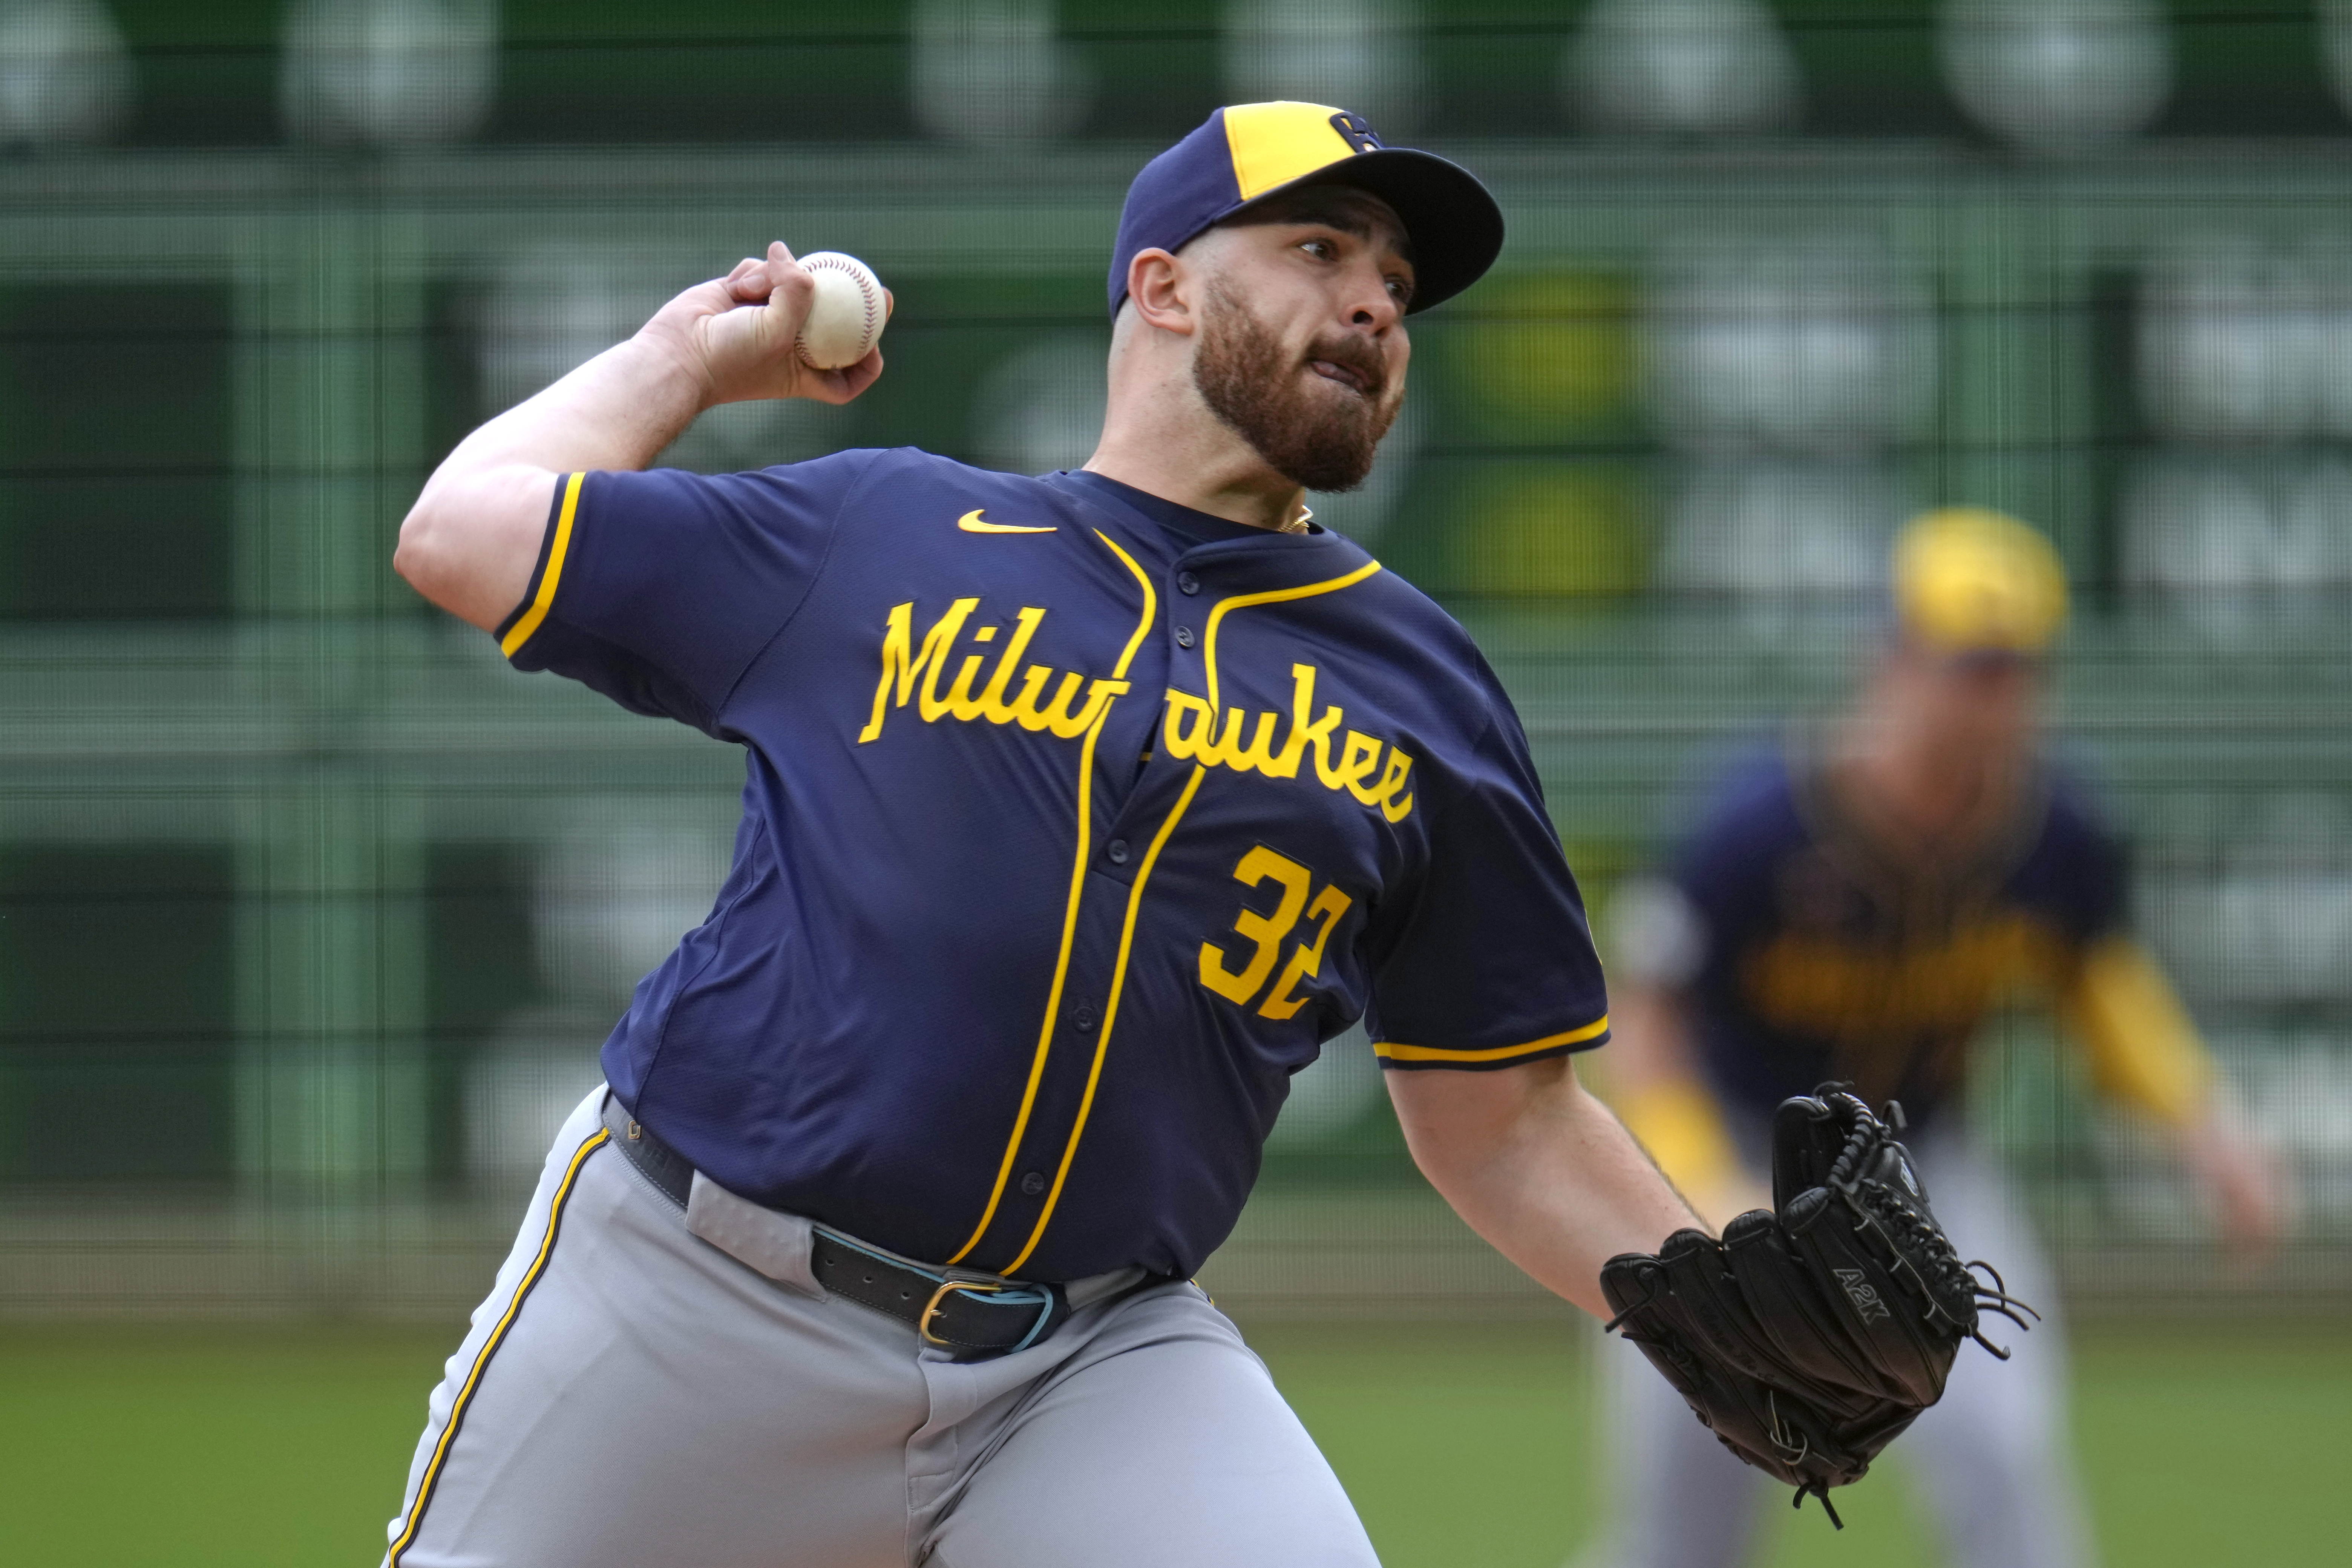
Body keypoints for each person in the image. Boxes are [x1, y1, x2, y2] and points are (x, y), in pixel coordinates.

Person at [382, 101, 1703, 1568]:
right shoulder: (888, 533)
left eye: (1397, 280)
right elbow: (463, 529)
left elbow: (1505, 1119)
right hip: (697, 1298)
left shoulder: (1420, 684)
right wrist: (687, 362)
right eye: (1320, 246)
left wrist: (1704, 1304)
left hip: (1088, 1361)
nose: (1375, 303)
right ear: (1163, 284)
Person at [1578, 507, 2288, 1568]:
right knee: (1687, 1501)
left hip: (1919, 1174)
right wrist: (1703, 1196)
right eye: (1966, 665)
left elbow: (2098, 986)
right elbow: (1645, 1021)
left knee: (2004, 1451)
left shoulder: (2054, 830)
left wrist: (2205, 1128)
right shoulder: (1757, 822)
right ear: (1891, 659)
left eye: (2015, 669)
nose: (1991, 698)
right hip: (1728, 1160)